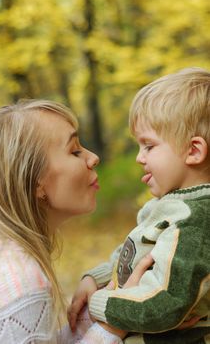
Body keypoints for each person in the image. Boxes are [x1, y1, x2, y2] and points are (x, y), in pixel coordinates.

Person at [68, 67, 210, 343]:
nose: (139, 158)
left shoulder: (195, 219)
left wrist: (102, 302)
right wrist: (96, 278)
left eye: (149, 146)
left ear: (193, 151)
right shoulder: (172, 205)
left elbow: (165, 304)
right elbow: (134, 253)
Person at [0, 99, 132, 344]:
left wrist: (90, 320)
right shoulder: (21, 283)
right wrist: (112, 328)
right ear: (36, 181)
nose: (93, 158)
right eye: (75, 151)